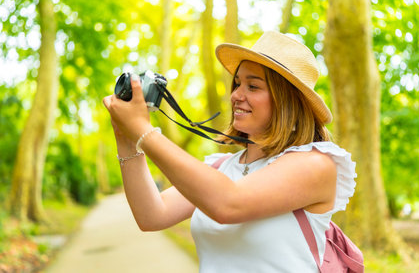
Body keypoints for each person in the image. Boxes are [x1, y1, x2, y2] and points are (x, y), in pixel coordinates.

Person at [103, 31, 357, 272]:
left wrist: (143, 131)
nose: (236, 95)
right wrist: (125, 137)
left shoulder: (315, 164)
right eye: (237, 84)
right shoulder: (221, 167)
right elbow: (152, 215)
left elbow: (228, 204)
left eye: (253, 86)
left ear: (287, 101)